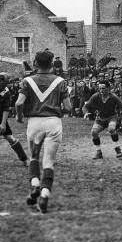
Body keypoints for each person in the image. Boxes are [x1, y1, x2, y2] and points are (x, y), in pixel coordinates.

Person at [15, 50, 71, 213]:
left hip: (34, 122)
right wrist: (58, 112)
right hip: (53, 122)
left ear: (35, 64)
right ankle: (45, 194)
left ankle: (34, 185)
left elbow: (19, 103)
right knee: (49, 161)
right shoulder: (60, 81)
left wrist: (19, 117)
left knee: (34, 157)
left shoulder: (27, 81)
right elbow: (68, 107)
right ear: (52, 64)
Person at [83, 80, 122, 160]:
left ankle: (117, 149)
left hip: (111, 117)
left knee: (111, 129)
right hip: (100, 118)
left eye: (103, 88)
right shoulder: (95, 96)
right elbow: (86, 106)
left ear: (108, 88)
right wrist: (86, 113)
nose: (101, 90)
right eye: (100, 88)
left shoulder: (113, 97)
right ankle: (99, 152)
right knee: (94, 132)